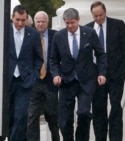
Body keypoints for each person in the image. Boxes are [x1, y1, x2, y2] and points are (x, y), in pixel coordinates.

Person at [49, 8, 107, 141]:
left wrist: (102, 73)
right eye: (67, 23)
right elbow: (53, 59)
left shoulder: (90, 33)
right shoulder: (59, 36)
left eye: (72, 23)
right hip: (66, 81)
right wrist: (56, 74)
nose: (70, 26)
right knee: (65, 120)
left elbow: (101, 54)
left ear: (78, 20)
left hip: (86, 80)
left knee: (84, 113)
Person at [86, 1, 125, 141]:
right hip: (96, 78)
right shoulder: (87, 29)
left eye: (100, 15)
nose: (99, 18)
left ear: (105, 12)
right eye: (95, 16)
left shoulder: (118, 25)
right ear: (92, 15)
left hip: (115, 77)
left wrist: (122, 74)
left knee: (115, 111)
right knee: (98, 112)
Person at [7, 5, 43, 141]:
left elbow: (39, 58)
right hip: (7, 81)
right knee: (7, 116)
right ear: (12, 18)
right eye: (17, 20)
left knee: (21, 116)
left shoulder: (33, 34)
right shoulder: (4, 31)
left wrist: (34, 75)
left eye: (23, 20)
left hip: (25, 82)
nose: (20, 23)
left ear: (27, 19)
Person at [27, 11, 60, 141]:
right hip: (34, 81)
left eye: (43, 21)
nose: (40, 24)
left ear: (48, 22)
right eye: (38, 21)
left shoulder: (56, 36)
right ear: (34, 23)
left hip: (51, 81)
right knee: (32, 117)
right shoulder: (29, 36)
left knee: (52, 116)